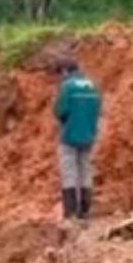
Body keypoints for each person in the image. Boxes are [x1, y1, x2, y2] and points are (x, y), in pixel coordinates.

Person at [53, 56, 102, 220]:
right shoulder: (92, 86)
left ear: (65, 71)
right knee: (85, 170)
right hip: (89, 135)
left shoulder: (67, 87)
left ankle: (71, 210)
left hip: (69, 135)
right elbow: (98, 110)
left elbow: (60, 111)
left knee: (69, 172)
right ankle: (85, 209)